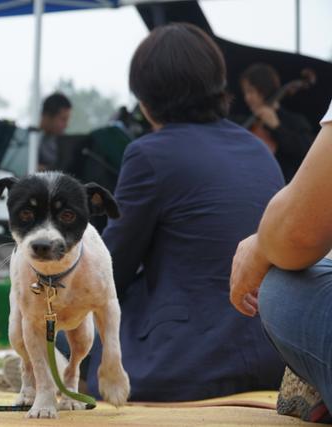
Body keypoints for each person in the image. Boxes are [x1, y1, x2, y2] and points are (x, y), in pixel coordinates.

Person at [95, 23, 286, 401]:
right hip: (274, 354)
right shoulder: (258, 149)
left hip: (185, 362)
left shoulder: (148, 154)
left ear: (146, 100)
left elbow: (107, 270)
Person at [230, 100, 332, 423]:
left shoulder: (145, 157)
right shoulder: (255, 148)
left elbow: (299, 233)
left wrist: (260, 246)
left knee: (281, 283)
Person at [240, 63, 313, 183]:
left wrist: (277, 127)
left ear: (264, 90)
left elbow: (307, 153)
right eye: (245, 93)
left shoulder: (295, 121)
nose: (247, 97)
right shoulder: (245, 122)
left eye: (251, 91)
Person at [38, 92, 72, 170]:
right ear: (47, 116)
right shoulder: (28, 141)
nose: (66, 125)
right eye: (63, 119)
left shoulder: (64, 144)